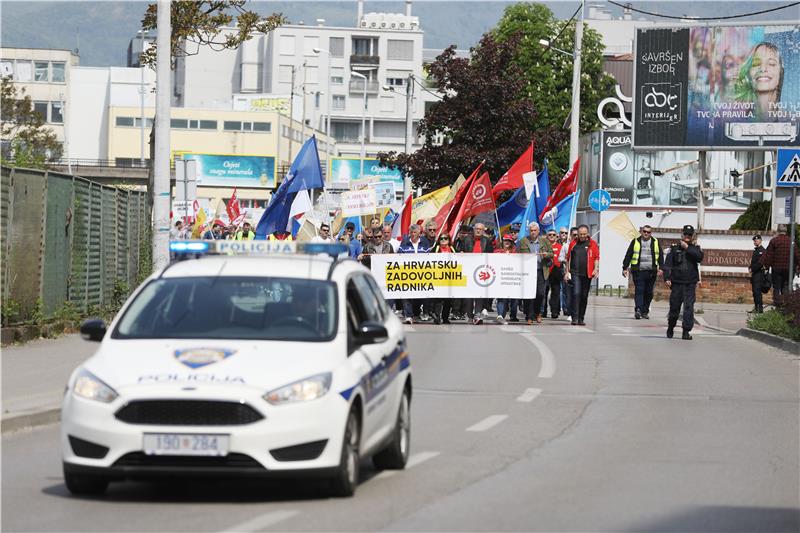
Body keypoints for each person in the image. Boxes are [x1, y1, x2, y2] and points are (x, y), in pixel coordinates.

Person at [663, 225, 703, 340]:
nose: (687, 236)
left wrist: (687, 248)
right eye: (686, 234)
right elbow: (668, 264)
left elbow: (699, 257)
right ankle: (671, 326)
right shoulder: (674, 248)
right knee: (674, 308)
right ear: (682, 234)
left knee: (688, 308)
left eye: (689, 234)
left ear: (692, 236)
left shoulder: (695, 248)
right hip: (677, 283)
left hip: (690, 283)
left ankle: (686, 331)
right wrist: (667, 277)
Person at [622, 224, 663, 320]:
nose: (646, 233)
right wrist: (625, 268)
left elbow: (660, 255)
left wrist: (661, 268)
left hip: (651, 272)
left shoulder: (655, 242)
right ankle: (638, 310)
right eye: (644, 231)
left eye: (648, 232)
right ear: (641, 232)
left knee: (649, 292)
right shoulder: (635, 241)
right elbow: (628, 254)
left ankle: (645, 311)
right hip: (638, 271)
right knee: (639, 291)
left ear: (650, 233)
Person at [455, 222, 493, 325]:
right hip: (468, 270)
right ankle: (469, 315)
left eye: (480, 229)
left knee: (479, 294)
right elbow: (460, 250)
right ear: (474, 229)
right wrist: (461, 252)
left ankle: (477, 313)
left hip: (481, 271)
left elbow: (491, 255)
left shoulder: (487, 241)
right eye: (477, 229)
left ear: (483, 231)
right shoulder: (466, 239)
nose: (478, 230)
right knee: (469, 295)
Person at [736, 42, 783, 121]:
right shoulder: (737, 119)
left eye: (771, 64)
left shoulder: (793, 119)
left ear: (781, 73)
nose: (762, 68)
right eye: (756, 64)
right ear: (748, 73)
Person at [518, 222, 553, 324]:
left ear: (538, 231)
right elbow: (518, 253)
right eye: (531, 230)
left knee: (540, 294)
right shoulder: (524, 241)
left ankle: (537, 313)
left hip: (541, 270)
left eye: (535, 230)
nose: (533, 232)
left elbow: (552, 253)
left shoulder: (544, 241)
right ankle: (529, 316)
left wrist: (547, 254)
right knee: (529, 294)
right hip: (528, 272)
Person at [565, 225, 599, 326]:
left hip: (587, 274)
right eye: (580, 234)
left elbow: (596, 257)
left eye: (584, 234)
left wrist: (595, 269)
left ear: (587, 233)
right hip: (575, 273)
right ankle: (574, 317)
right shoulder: (573, 243)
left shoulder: (592, 244)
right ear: (578, 234)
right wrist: (567, 271)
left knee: (584, 296)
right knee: (576, 294)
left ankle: (581, 318)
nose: (582, 236)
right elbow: (568, 259)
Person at [397, 224, 431, 324]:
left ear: (419, 233)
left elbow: (429, 257)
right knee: (406, 294)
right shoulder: (405, 243)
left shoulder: (425, 243)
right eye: (411, 232)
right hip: (407, 274)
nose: (412, 234)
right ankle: (408, 315)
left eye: (415, 232)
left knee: (419, 296)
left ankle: (416, 312)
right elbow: (399, 256)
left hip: (422, 275)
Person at [760, 224, 798, 298]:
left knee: (776, 287)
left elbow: (769, 255)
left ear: (778, 231)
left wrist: (766, 267)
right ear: (786, 231)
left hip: (776, 268)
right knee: (786, 286)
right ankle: (785, 304)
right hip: (788, 269)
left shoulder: (774, 241)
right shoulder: (791, 241)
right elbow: (797, 255)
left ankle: (777, 304)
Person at [431, 233, 456, 324]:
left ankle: (445, 317)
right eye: (441, 238)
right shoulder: (436, 249)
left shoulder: (452, 249)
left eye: (445, 238)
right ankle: (437, 316)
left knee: (448, 300)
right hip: (439, 277)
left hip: (450, 278)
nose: (443, 240)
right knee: (439, 299)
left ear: (449, 240)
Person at [493, 234, 517, 325]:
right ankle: (500, 315)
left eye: (509, 241)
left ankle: (513, 315)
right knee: (501, 296)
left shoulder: (515, 253)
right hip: (501, 277)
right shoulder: (497, 251)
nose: (507, 242)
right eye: (505, 240)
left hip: (512, 277)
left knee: (514, 298)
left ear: (511, 242)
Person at [543, 229, 563, 319]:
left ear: (556, 236)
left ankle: (554, 311)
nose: (551, 236)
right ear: (547, 236)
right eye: (550, 234)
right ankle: (543, 310)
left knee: (556, 292)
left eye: (553, 235)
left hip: (556, 271)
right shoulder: (543, 246)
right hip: (546, 270)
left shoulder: (560, 246)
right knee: (544, 292)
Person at [749, 234, 766, 314]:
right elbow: (754, 262)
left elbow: (760, 263)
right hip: (755, 274)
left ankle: (759, 309)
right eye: (754, 241)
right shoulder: (756, 250)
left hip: (759, 274)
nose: (755, 242)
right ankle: (756, 308)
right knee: (755, 292)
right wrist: (750, 267)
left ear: (760, 240)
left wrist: (752, 268)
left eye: (756, 240)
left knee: (757, 291)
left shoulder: (761, 251)